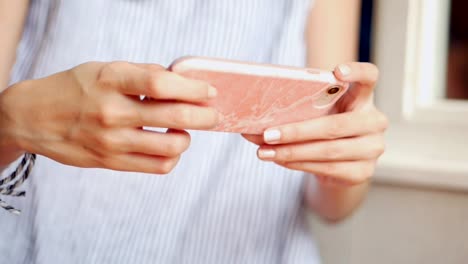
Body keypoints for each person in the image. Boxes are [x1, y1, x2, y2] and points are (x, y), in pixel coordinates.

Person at [0, 0, 387, 263]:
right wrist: (14, 121)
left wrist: (341, 161)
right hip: (41, 238)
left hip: (247, 247)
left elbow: (333, 205)